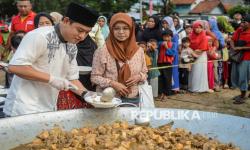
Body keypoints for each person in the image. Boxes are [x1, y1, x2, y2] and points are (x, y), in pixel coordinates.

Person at [2, 2, 99, 117]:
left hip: (48, 107)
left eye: (87, 32)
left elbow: (72, 79)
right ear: (66, 21)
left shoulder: (72, 46)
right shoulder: (39, 36)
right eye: (80, 30)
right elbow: (15, 67)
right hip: (23, 108)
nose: (82, 36)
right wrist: (51, 79)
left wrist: (87, 94)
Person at [91, 13, 147, 105]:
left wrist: (139, 77)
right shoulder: (102, 51)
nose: (121, 32)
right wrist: (113, 84)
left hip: (133, 98)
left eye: (125, 28)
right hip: (109, 100)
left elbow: (144, 72)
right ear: (111, 30)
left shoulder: (139, 51)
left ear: (131, 29)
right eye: (116, 28)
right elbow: (94, 77)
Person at [231, 14, 250, 104]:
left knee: (244, 77)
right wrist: (234, 47)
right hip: (238, 57)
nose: (242, 24)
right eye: (242, 21)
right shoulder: (239, 30)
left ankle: (243, 96)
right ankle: (242, 94)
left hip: (247, 58)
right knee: (237, 76)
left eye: (244, 22)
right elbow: (232, 39)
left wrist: (241, 48)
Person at [188, 21, 210, 93]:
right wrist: (191, 53)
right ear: (193, 28)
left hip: (201, 56)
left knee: (199, 71)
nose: (198, 29)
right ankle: (192, 87)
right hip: (192, 54)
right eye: (196, 28)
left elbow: (203, 48)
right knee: (193, 71)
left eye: (200, 28)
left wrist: (194, 53)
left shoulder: (203, 36)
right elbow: (188, 45)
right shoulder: (191, 36)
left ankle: (200, 88)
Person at [162, 16, 179, 92]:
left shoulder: (174, 34)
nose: (164, 24)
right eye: (163, 23)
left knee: (173, 70)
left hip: (173, 55)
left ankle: (174, 87)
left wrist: (169, 50)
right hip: (165, 55)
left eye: (166, 23)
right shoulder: (164, 32)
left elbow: (175, 46)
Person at [158, 29, 174, 100]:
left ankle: (167, 94)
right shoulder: (160, 43)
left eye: (168, 36)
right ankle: (161, 93)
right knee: (160, 78)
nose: (166, 38)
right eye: (165, 37)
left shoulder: (173, 44)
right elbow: (157, 46)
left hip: (168, 63)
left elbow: (172, 53)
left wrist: (167, 47)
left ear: (171, 37)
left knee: (167, 78)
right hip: (160, 62)